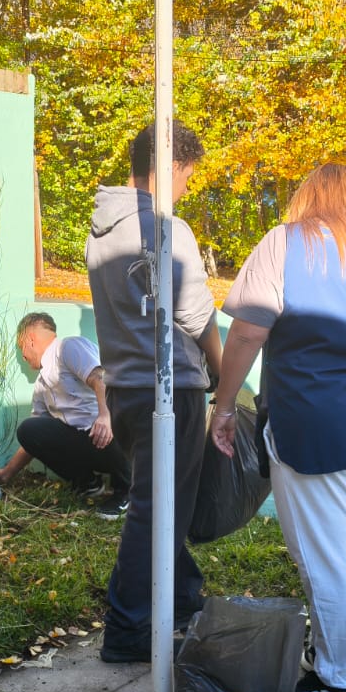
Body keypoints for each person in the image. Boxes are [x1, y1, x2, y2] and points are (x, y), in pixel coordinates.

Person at [210, 165, 346, 692]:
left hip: (314, 418)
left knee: (323, 557)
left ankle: (341, 684)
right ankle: (336, 662)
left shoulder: (283, 243)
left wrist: (225, 403)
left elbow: (250, 330)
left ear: (307, 197)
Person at [85, 122, 223, 662]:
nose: (188, 187)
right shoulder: (167, 227)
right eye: (188, 174)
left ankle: (183, 598)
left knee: (164, 503)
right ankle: (127, 629)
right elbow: (195, 314)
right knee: (156, 509)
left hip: (125, 386)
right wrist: (223, 378)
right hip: (173, 388)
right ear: (172, 168)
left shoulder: (101, 227)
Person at [0, 312, 131, 517]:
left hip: (116, 434)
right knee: (30, 430)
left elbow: (101, 379)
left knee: (112, 423)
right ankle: (88, 484)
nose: (23, 357)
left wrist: (105, 416)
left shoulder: (67, 347)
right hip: (92, 443)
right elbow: (35, 439)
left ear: (30, 339)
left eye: (21, 348)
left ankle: (128, 490)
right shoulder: (41, 385)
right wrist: (6, 473)